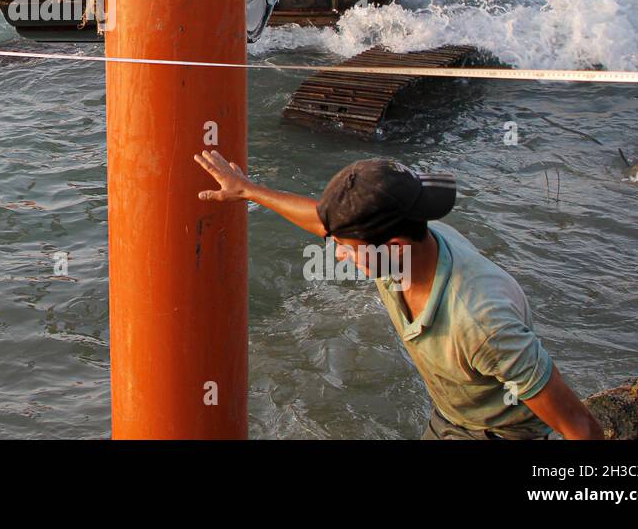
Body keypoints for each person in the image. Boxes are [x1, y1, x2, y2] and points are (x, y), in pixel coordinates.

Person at [195, 151, 604, 440]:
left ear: (392, 246)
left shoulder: (482, 323)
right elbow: (322, 219)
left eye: (345, 247)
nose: (336, 253)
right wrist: (247, 190)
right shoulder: (407, 245)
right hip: (450, 417)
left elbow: (581, 428)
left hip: (499, 434)